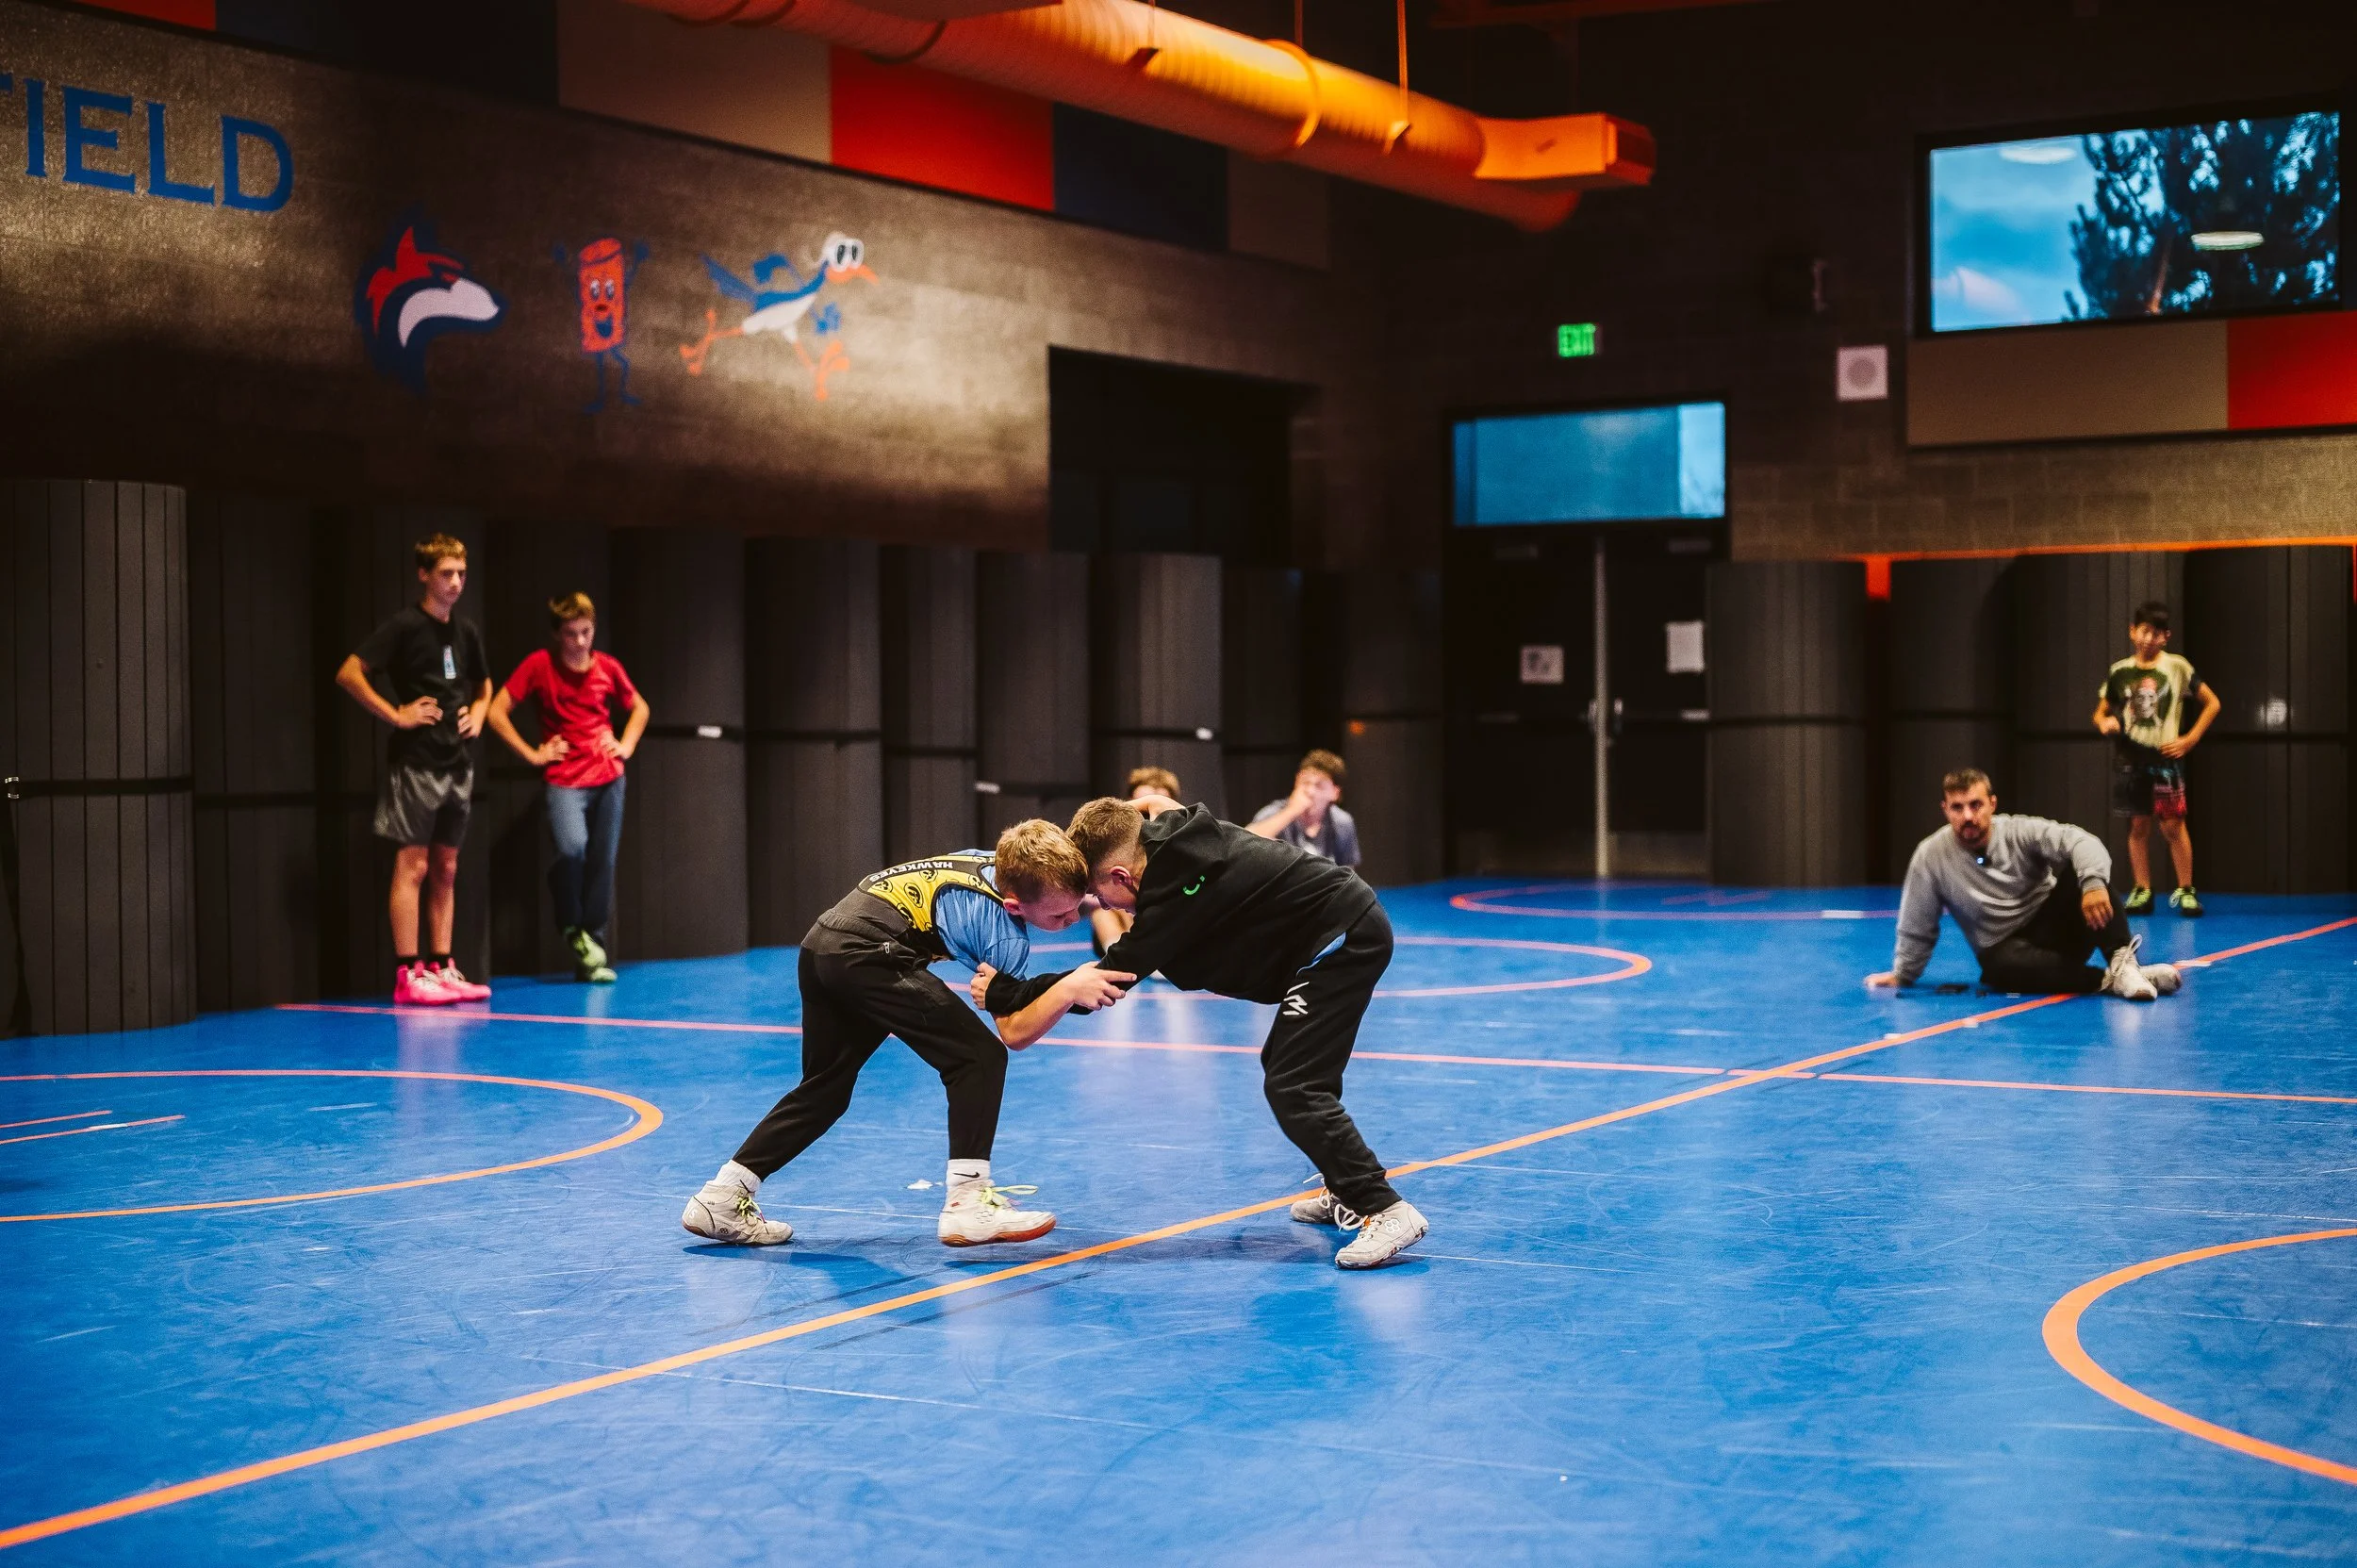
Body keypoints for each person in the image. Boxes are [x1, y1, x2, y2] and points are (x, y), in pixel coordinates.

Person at [979, 794, 1425, 1269]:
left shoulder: (1171, 901)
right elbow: (1153, 801)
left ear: (1121, 877)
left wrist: (1008, 993)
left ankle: (1384, 1208)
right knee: (1285, 1066)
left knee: (1295, 1085)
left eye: (1098, 894)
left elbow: (1104, 981)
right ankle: (1347, 1186)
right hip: (1337, 927)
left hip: (1341, 940)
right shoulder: (1174, 836)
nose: (1099, 905)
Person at [681, 821, 1132, 1248]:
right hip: (871, 955)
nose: (1076, 918)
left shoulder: (997, 862)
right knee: (978, 1057)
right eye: (1062, 913)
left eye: (1080, 904)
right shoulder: (1005, 934)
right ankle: (967, 1202)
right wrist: (1069, 986)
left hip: (822, 942)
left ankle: (721, 1196)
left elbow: (1005, 984)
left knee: (825, 1089)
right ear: (1015, 905)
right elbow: (1014, 1031)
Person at [335, 532, 493, 1007]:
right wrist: (397, 714)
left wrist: (478, 715)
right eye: (446, 573)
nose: (456, 583)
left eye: (462, 573)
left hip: (456, 763)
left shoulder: (464, 631)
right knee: (415, 864)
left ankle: (442, 966)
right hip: (416, 763)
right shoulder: (404, 627)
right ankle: (409, 973)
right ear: (424, 575)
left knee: (446, 866)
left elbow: (484, 686)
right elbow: (349, 672)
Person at [1867, 768, 2181, 999]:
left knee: (2085, 872)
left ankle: (2122, 960)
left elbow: (2083, 841)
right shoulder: (1930, 856)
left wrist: (2093, 883)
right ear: (1945, 810)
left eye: (1975, 805)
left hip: (2056, 928)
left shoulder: (2019, 830)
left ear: (1992, 803)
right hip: (2005, 950)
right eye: (1957, 807)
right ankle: (2114, 979)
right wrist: (1903, 975)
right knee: (1998, 972)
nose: (1968, 816)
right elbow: (1917, 921)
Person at [485, 592, 651, 983]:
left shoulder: (607, 667)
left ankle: (592, 950)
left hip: (609, 776)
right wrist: (533, 754)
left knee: (602, 861)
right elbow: (495, 710)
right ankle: (572, 928)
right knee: (572, 849)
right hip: (565, 779)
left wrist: (624, 745)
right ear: (557, 635)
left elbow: (639, 706)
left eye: (586, 632)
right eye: (571, 634)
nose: (579, 641)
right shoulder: (539, 666)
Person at [2093, 601, 2220, 917]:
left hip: (2165, 757)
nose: (2148, 639)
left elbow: (2212, 703)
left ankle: (2186, 889)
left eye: (2156, 634)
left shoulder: (2176, 666)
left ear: (2166, 637)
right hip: (2131, 756)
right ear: (2132, 631)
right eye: (2144, 631)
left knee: (2173, 824)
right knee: (2138, 824)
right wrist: (2103, 722)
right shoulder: (2120, 672)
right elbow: (2101, 711)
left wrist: (2189, 740)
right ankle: (2142, 889)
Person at [1090, 766, 1180, 956]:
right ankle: (1120, 955)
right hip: (1126, 923)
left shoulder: (1183, 841)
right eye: (1144, 808)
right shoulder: (1112, 841)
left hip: (1168, 921)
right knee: (1103, 911)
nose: (1150, 817)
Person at [1248, 749, 1360, 869]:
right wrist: (1291, 811)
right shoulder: (1276, 813)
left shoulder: (1342, 822)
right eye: (1305, 783)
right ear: (1296, 782)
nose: (1310, 791)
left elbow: (1348, 874)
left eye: (1319, 786)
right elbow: (1247, 843)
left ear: (1335, 793)